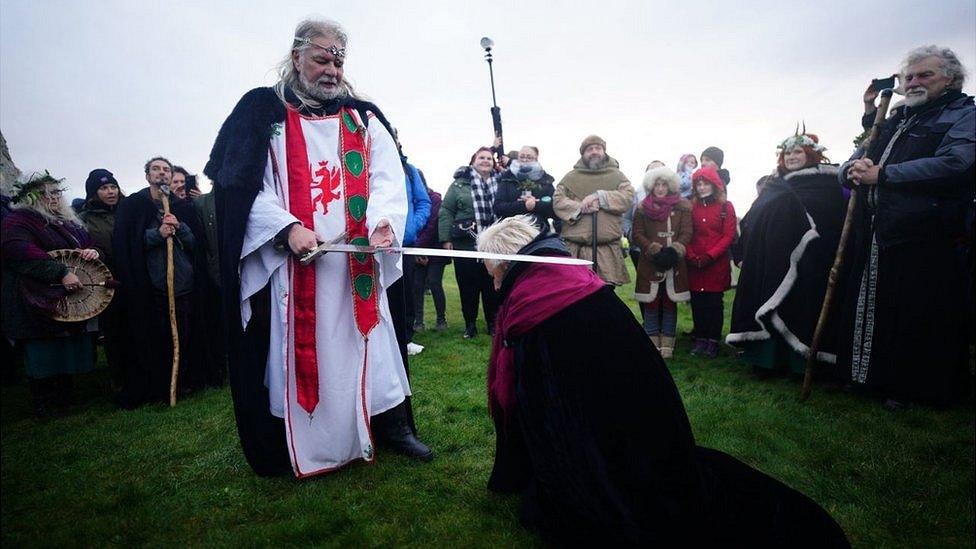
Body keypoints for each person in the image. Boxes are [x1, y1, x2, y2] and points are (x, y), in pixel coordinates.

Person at [478, 216, 849, 546]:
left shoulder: (534, 304)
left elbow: (537, 403)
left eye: (494, 273)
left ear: (506, 264)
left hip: (607, 439)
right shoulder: (577, 280)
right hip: (642, 419)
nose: (495, 285)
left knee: (617, 494)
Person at [204, 18, 432, 477]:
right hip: (298, 269)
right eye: (321, 59)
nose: (332, 70)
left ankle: (390, 424)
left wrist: (382, 225)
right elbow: (241, 184)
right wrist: (287, 228)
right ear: (296, 57)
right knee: (306, 355)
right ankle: (307, 439)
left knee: (378, 345)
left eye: (338, 60)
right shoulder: (261, 112)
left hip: (358, 266)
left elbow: (388, 177)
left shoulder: (363, 116)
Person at [838, 45, 974, 407]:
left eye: (925, 75)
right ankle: (864, 377)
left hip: (927, 234)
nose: (914, 82)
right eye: (910, 76)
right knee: (871, 307)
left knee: (917, 313)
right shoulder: (896, 117)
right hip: (877, 230)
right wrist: (850, 169)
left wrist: (884, 175)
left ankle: (911, 388)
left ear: (950, 79)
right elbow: (858, 158)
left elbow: (957, 164)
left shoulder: (963, 115)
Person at [727, 133, 846, 378]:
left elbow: (832, 224)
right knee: (768, 301)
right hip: (770, 260)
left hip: (809, 262)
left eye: (797, 152)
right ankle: (766, 361)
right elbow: (753, 220)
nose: (791, 157)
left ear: (811, 155)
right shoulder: (774, 185)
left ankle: (799, 364)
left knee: (800, 308)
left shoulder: (826, 185)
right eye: (787, 153)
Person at [112, 156, 213, 408]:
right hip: (151, 288)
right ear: (147, 175)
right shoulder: (134, 206)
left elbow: (196, 246)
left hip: (183, 285)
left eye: (166, 170)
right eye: (156, 169)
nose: (162, 173)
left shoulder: (182, 207)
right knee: (157, 338)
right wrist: (157, 234)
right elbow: (128, 246)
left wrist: (180, 227)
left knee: (186, 334)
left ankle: (185, 380)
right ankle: (160, 385)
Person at [1, 172, 100, 416]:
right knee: (42, 352)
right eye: (49, 194)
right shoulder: (19, 221)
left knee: (65, 346)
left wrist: (93, 253)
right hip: (34, 298)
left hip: (68, 298)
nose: (54, 198)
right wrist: (59, 272)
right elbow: (19, 251)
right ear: (33, 197)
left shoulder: (66, 222)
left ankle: (65, 397)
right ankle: (44, 402)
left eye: (56, 193)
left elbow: (89, 243)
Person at [553, 135, 634, 287]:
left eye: (598, 148)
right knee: (576, 296)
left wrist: (600, 197)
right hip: (576, 250)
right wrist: (581, 207)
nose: (594, 152)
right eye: (590, 149)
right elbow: (558, 201)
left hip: (606, 251)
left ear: (604, 152)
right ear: (583, 154)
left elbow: (627, 197)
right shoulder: (570, 178)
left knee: (606, 296)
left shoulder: (617, 176)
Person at [439, 146, 500, 338]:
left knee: (492, 286)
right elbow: (446, 211)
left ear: (494, 163)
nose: (485, 161)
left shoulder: (501, 181)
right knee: (468, 286)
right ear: (473, 161)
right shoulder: (458, 185)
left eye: (489, 158)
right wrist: (446, 238)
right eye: (481, 158)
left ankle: (492, 324)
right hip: (467, 243)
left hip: (494, 245)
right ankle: (470, 325)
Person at [632, 167, 692, 358]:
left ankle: (667, 343)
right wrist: (654, 250)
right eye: (656, 184)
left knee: (669, 302)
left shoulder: (682, 207)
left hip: (674, 263)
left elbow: (687, 232)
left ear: (670, 185)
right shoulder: (642, 208)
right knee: (651, 303)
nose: (659, 188)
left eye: (663, 184)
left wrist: (675, 250)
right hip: (650, 263)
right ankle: (651, 341)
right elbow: (637, 234)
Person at [78, 168, 126, 387]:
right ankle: (121, 381)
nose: (110, 192)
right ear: (94, 192)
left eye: (113, 187)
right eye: (104, 188)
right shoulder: (84, 220)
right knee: (115, 333)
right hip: (106, 282)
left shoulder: (127, 210)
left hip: (135, 278)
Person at [686, 166, 737, 358]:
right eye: (698, 184)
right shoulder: (691, 207)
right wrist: (690, 255)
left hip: (715, 263)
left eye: (705, 183)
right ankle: (700, 338)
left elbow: (728, 235)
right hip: (695, 262)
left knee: (714, 303)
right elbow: (687, 233)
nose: (701, 187)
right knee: (698, 302)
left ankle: (713, 340)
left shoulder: (726, 207)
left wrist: (711, 255)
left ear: (714, 184)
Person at [392, 132, 431, 356]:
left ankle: (405, 339)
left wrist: (411, 228)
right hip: (372, 244)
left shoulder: (410, 170)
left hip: (403, 243)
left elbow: (423, 202)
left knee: (405, 292)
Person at [493, 145, 557, 232]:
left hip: (539, 231)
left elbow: (555, 209)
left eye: (529, 157)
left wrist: (536, 205)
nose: (525, 159)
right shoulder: (507, 178)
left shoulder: (545, 180)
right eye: (522, 157)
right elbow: (498, 208)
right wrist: (523, 206)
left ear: (536, 159)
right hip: (511, 232)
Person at [412, 180, 448, 333]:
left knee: (434, 283)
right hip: (416, 248)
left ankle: (441, 319)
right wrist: (417, 249)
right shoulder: (410, 199)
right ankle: (418, 321)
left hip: (435, 248)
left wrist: (420, 247)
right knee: (417, 285)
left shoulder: (435, 200)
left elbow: (432, 225)